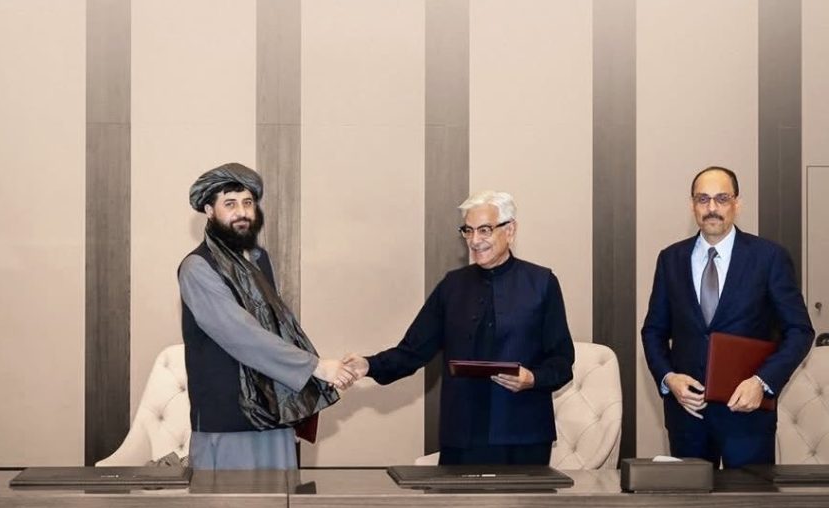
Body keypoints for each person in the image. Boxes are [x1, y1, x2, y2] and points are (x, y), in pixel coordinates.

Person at [342, 190, 574, 465]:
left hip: (523, 433)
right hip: (462, 434)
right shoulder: (452, 286)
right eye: (468, 231)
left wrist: (533, 378)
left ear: (510, 230)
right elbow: (413, 350)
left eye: (485, 230)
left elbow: (562, 361)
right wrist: (369, 365)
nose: (474, 240)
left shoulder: (542, 283)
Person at [178, 163, 353, 470]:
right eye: (230, 204)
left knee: (280, 498)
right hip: (228, 420)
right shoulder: (197, 267)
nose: (242, 212)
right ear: (209, 210)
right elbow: (241, 334)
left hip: (274, 412)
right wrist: (315, 366)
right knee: (230, 501)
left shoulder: (259, 260)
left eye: (247, 203)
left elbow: (278, 328)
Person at [641, 166, 814, 468]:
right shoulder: (671, 259)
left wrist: (762, 382)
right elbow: (653, 331)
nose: (712, 208)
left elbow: (800, 330)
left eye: (721, 198)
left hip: (747, 416)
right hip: (688, 416)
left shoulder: (769, 257)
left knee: (750, 498)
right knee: (688, 499)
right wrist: (669, 378)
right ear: (692, 205)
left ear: (737, 204)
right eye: (703, 199)